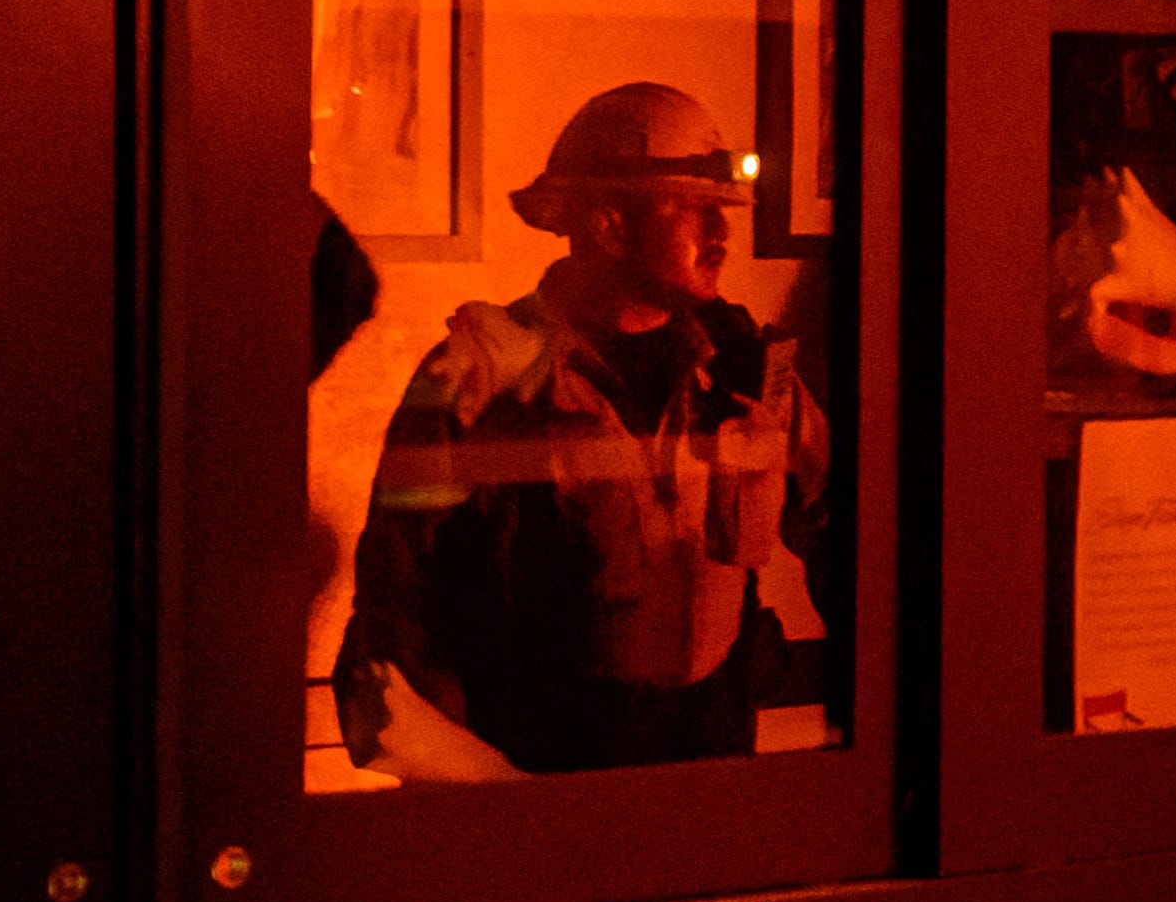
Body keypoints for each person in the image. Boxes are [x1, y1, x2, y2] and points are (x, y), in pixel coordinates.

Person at [342, 77, 835, 776]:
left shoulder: (742, 368)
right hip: (545, 774)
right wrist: (482, 787)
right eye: (692, 210)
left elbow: (846, 528)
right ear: (608, 224)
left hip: (715, 761)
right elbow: (397, 619)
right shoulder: (484, 387)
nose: (722, 234)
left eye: (721, 211)